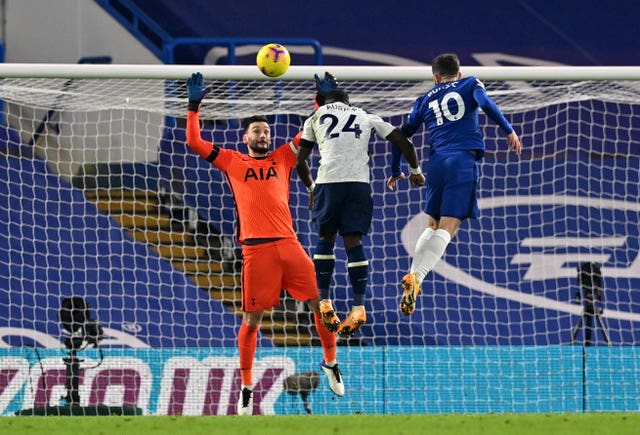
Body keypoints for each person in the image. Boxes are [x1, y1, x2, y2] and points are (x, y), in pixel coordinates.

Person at [184, 72, 344, 416]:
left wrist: (322, 101)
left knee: (322, 304)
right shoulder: (231, 160)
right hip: (256, 250)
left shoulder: (284, 158)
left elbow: (311, 129)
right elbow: (195, 143)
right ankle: (245, 385)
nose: (263, 134)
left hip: (289, 244)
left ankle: (330, 363)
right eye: (257, 131)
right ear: (245, 138)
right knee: (252, 319)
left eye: (267, 131)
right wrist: (194, 107)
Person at [388, 53, 522, 316]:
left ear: (435, 77)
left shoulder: (424, 99)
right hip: (462, 161)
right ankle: (417, 276)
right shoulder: (470, 83)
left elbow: (401, 136)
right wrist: (508, 129)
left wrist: (396, 168)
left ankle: (414, 277)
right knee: (449, 227)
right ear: (458, 74)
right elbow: (486, 103)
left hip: (436, 164)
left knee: (432, 224)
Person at [296, 72, 425, 338]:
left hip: (328, 184)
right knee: (354, 244)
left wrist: (311, 189)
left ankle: (325, 302)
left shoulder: (315, 118)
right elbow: (403, 140)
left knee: (325, 239)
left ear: (321, 101)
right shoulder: (365, 116)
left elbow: (300, 162)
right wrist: (415, 170)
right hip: (358, 186)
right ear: (347, 100)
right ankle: (358, 307)